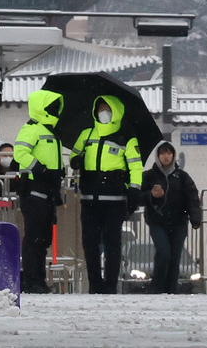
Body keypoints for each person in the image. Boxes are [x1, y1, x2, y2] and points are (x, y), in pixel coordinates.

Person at [71, 94, 143, 293]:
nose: (103, 112)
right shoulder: (86, 134)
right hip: (89, 200)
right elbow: (74, 155)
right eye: (101, 108)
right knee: (90, 244)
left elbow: (136, 167)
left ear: (115, 111)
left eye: (107, 109)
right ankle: (95, 283)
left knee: (113, 245)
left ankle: (110, 285)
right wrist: (76, 160)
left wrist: (135, 190)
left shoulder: (127, 137)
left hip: (114, 201)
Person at [11, 90, 66, 293]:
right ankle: (31, 280)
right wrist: (39, 168)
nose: (56, 111)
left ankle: (39, 280)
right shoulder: (32, 128)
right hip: (34, 192)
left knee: (43, 240)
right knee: (33, 239)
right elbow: (20, 152)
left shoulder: (52, 131)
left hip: (48, 193)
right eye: (52, 107)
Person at [144, 140, 202, 294]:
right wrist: (151, 195)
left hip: (179, 223)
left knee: (175, 257)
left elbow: (192, 198)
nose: (166, 156)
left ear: (174, 155)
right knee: (163, 253)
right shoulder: (149, 176)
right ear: (157, 156)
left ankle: (170, 290)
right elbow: (138, 196)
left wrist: (195, 218)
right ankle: (156, 288)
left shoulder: (182, 177)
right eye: (162, 152)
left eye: (169, 152)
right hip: (157, 222)